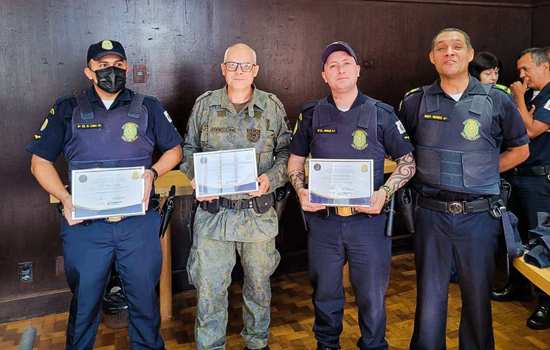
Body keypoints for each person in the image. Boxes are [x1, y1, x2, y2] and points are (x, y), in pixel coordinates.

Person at [26, 39, 183, 350]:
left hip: (137, 225)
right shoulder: (67, 109)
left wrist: (153, 172)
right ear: (89, 71)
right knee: (84, 305)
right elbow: (39, 162)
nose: (112, 70)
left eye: (118, 64)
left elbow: (175, 150)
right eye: (103, 65)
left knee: (144, 303)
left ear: (126, 67)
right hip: (86, 228)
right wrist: (65, 198)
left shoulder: (148, 106)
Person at [398, 28, 529, 349]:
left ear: (470, 54)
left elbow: (520, 150)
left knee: (477, 298)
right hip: (430, 215)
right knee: (429, 297)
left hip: (479, 217)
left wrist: (482, 170)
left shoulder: (497, 99)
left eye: (457, 47)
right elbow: (404, 152)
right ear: (432, 57)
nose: (449, 52)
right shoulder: (415, 101)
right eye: (441, 48)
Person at [288, 41, 416, 350]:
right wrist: (300, 189)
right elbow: (295, 161)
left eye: (346, 63)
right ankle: (327, 344)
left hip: (368, 223)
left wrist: (384, 192)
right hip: (324, 222)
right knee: (325, 292)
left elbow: (408, 163)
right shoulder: (311, 114)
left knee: (371, 294)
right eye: (332, 65)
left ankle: (373, 344)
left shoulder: (381, 113)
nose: (340, 69)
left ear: (357, 70)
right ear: (324, 75)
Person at [180, 43, 291, 350]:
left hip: (257, 215)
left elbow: (286, 152)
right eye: (233, 65)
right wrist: (197, 178)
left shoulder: (271, 106)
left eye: (246, 66)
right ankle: (211, 345)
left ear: (255, 70)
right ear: (223, 68)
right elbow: (188, 148)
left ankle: (257, 343)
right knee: (210, 290)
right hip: (213, 215)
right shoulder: (205, 105)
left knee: (258, 288)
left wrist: (271, 178)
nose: (239, 71)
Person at [508, 47, 550, 330]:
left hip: (540, 180)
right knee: (519, 236)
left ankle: (547, 304)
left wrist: (519, 100)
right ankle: (520, 287)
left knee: (542, 240)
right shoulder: (534, 95)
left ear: (545, 66)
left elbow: (532, 129)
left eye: (526, 69)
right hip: (520, 176)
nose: (521, 75)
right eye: (519, 70)